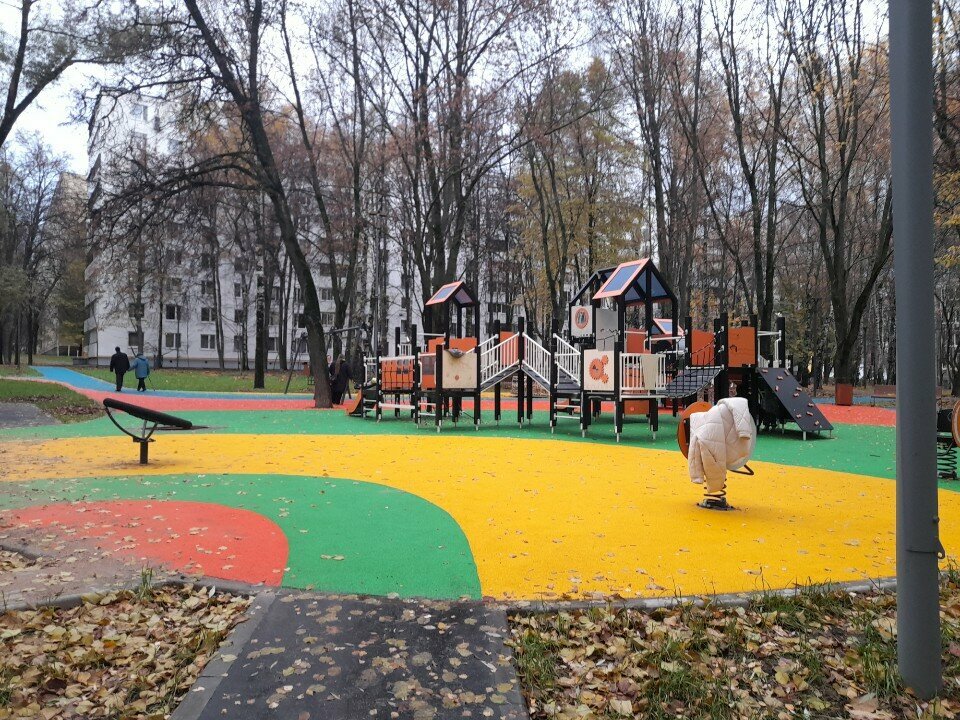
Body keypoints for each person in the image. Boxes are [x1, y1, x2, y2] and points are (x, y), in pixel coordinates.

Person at [687, 397, 756, 510]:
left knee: (710, 449)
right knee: (712, 447)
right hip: (735, 452)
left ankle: (714, 492)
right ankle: (716, 492)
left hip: (727, 449)